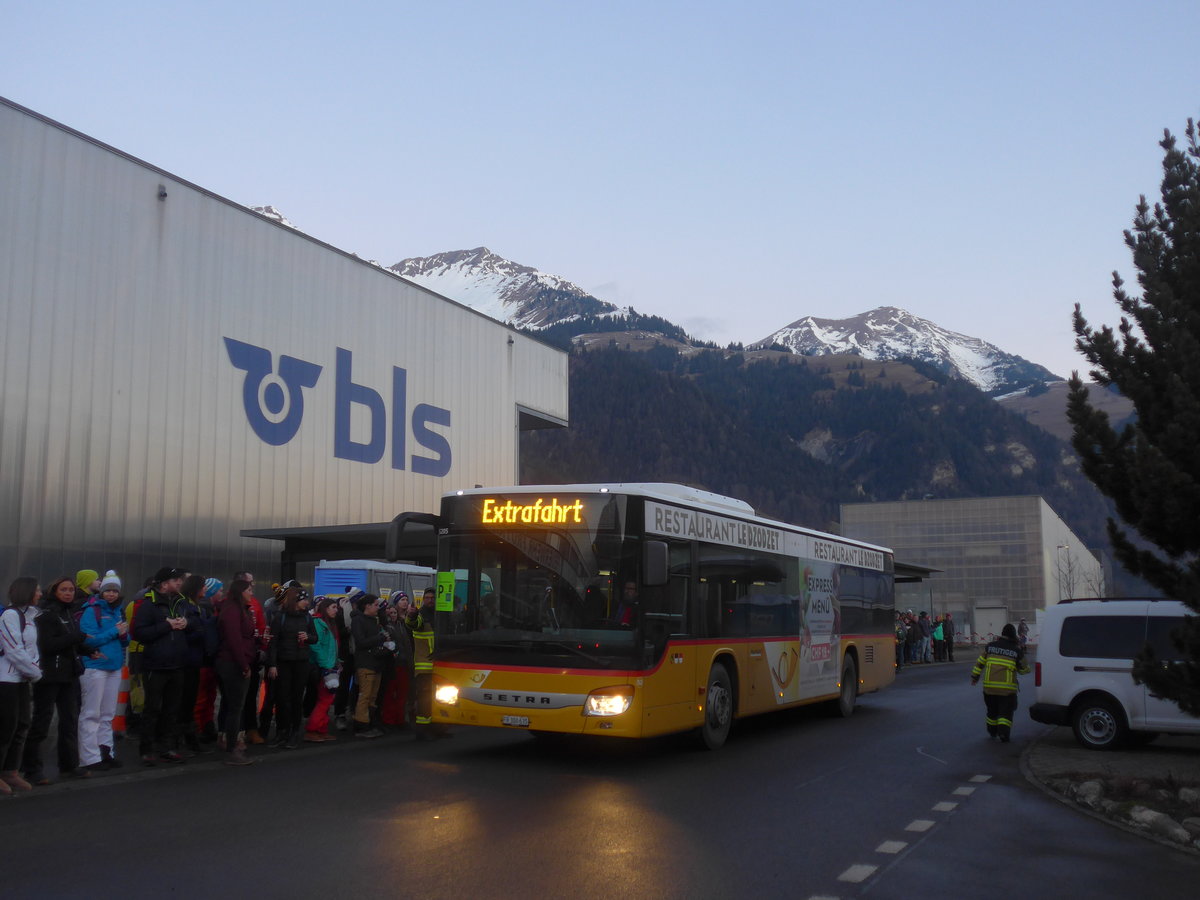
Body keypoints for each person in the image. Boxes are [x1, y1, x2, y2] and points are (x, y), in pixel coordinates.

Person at [23, 575, 88, 784]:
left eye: (71, 590)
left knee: (70, 720)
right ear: (55, 592)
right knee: (42, 722)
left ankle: (69, 765)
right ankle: (32, 769)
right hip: (49, 675)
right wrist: (76, 638)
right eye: (64, 590)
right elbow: (47, 645)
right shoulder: (47, 614)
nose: (68, 593)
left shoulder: (69, 613)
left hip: (68, 674)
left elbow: (69, 642)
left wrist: (88, 649)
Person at [131, 566, 194, 766]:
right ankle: (147, 749)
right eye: (176, 580)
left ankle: (167, 746)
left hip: (177, 664)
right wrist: (167, 625)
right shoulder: (149, 604)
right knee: (152, 709)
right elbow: (140, 632)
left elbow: (194, 624)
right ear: (165, 583)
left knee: (171, 709)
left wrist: (186, 624)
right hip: (156, 665)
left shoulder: (180, 602)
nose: (180, 584)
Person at [78, 570, 129, 771]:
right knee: (91, 713)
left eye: (114, 591)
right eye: (107, 590)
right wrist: (115, 631)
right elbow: (89, 639)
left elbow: (125, 639)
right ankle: (89, 758)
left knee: (107, 713)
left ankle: (106, 751)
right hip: (96, 667)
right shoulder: (92, 611)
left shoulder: (119, 611)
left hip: (114, 666)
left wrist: (124, 635)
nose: (111, 594)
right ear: (101, 592)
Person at [1, 577, 42, 794]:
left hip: (22, 678)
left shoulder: (30, 616)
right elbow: (13, 649)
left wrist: (31, 669)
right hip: (6, 679)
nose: (40, 593)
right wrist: (35, 672)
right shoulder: (10, 615)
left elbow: (31, 649)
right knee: (6, 726)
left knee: (22, 724)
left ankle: (10, 771)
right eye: (37, 590)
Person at [266, 583, 317, 749]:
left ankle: (295, 731)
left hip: (301, 661)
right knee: (282, 697)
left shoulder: (307, 618)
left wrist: (307, 637)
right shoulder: (280, 617)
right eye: (304, 599)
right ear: (296, 600)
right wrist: (272, 664)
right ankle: (282, 730)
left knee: (296, 697)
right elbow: (273, 643)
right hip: (284, 661)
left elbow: (315, 637)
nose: (307, 602)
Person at [213, 579, 257, 765]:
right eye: (248, 589)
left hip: (235, 661)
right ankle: (232, 747)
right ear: (240, 591)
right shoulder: (232, 610)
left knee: (234, 706)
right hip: (233, 663)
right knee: (235, 707)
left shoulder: (239, 608)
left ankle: (232, 743)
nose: (251, 592)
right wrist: (244, 665)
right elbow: (234, 640)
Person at [970, 623, 1031, 742]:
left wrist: (975, 677)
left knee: (992, 711)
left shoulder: (990, 646)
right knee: (1005, 712)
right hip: (1006, 690)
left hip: (989, 687)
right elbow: (1025, 669)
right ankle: (1003, 733)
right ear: (1014, 635)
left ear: (1002, 634)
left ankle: (992, 731)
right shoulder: (1016, 650)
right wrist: (1017, 668)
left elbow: (980, 663)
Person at [350, 593, 390, 738]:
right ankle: (361, 726)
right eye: (375, 604)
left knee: (373, 696)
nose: (377, 607)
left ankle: (371, 722)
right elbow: (360, 642)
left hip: (377, 663)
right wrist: (379, 638)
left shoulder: (375, 621)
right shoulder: (358, 620)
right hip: (366, 663)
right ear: (367, 605)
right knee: (365, 695)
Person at [304, 597, 340, 742]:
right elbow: (315, 645)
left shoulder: (328, 624)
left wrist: (337, 662)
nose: (336, 610)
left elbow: (331, 647)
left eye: (336, 607)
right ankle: (312, 729)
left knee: (326, 698)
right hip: (323, 667)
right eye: (333, 607)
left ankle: (321, 729)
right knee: (325, 699)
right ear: (325, 608)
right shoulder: (319, 623)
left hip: (329, 666)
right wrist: (326, 663)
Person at [408, 588, 442, 740]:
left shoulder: (441, 615)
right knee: (424, 699)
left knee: (439, 699)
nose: (430, 600)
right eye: (427, 598)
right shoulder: (421, 615)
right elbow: (413, 623)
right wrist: (412, 614)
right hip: (424, 666)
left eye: (432, 598)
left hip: (440, 666)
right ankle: (422, 731)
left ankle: (438, 727)